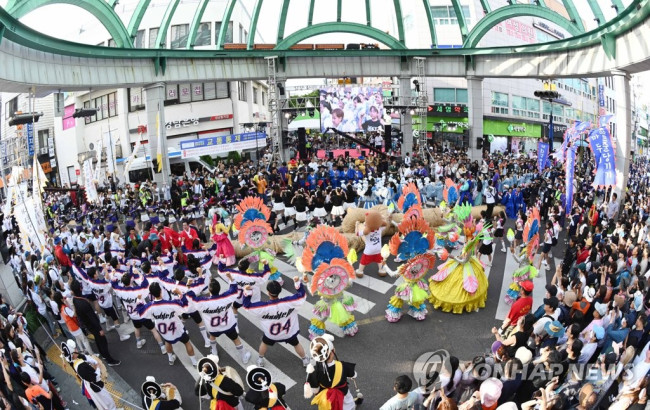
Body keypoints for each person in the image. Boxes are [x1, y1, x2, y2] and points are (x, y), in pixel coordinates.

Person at [242, 276, 310, 368]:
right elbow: (302, 295)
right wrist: (297, 283)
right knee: (296, 344)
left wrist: (248, 292)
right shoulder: (289, 302)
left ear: (268, 292)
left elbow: (246, 306)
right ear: (279, 291)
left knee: (264, 343)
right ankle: (305, 360)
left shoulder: (263, 308)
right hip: (288, 333)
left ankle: (260, 360)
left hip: (271, 335)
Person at [186, 274, 252, 363]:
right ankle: (244, 357)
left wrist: (188, 286)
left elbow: (191, 298)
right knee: (236, 339)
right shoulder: (226, 297)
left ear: (209, 290)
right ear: (219, 288)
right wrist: (231, 279)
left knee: (212, 337)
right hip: (228, 325)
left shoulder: (203, 302)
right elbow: (234, 290)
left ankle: (214, 352)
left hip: (214, 328)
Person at [136, 282, 198, 366]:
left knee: (168, 342)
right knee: (187, 342)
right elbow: (185, 307)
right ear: (161, 291)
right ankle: (194, 362)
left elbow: (140, 312)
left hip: (165, 332)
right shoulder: (171, 303)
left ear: (151, 294)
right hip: (177, 329)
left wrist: (139, 300)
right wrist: (180, 293)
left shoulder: (150, 306)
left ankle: (170, 359)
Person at [70, 280, 120, 366]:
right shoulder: (83, 302)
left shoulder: (74, 300)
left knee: (98, 339)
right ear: (81, 288)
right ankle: (109, 360)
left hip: (88, 325)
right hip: (93, 325)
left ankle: (103, 354)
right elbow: (92, 317)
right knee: (102, 341)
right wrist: (100, 329)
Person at [305, 334, 359, 410]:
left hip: (326, 397)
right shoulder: (343, 366)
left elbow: (315, 389)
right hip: (343, 393)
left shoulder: (314, 371)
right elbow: (354, 375)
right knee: (348, 405)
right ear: (332, 352)